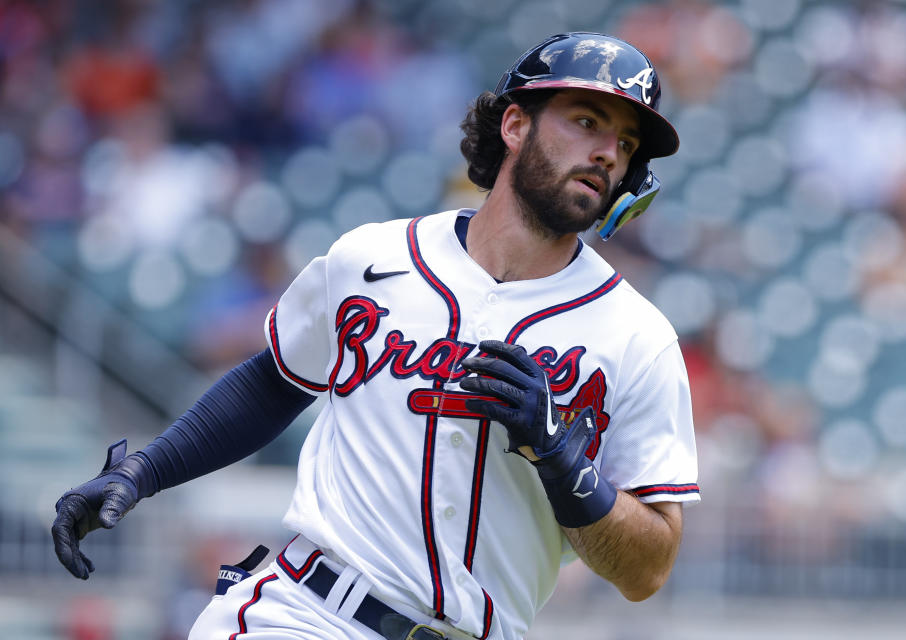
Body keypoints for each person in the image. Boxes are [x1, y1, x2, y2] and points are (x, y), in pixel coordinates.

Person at [51, 32, 699, 640]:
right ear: (515, 125)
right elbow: (276, 380)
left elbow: (648, 569)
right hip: (304, 613)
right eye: (588, 121)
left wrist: (563, 462)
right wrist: (145, 471)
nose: (608, 152)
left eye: (625, 141)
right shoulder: (373, 258)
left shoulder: (637, 337)